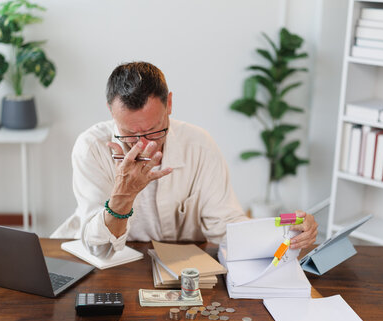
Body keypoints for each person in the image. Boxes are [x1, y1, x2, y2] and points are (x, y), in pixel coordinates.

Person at [52, 62, 317, 256]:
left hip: (183, 268)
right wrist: (123, 195)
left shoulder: (199, 145)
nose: (143, 143)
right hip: (116, 265)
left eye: (155, 130)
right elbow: (99, 249)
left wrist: (287, 226)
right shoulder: (92, 148)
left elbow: (227, 226)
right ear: (111, 111)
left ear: (169, 104)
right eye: (130, 133)